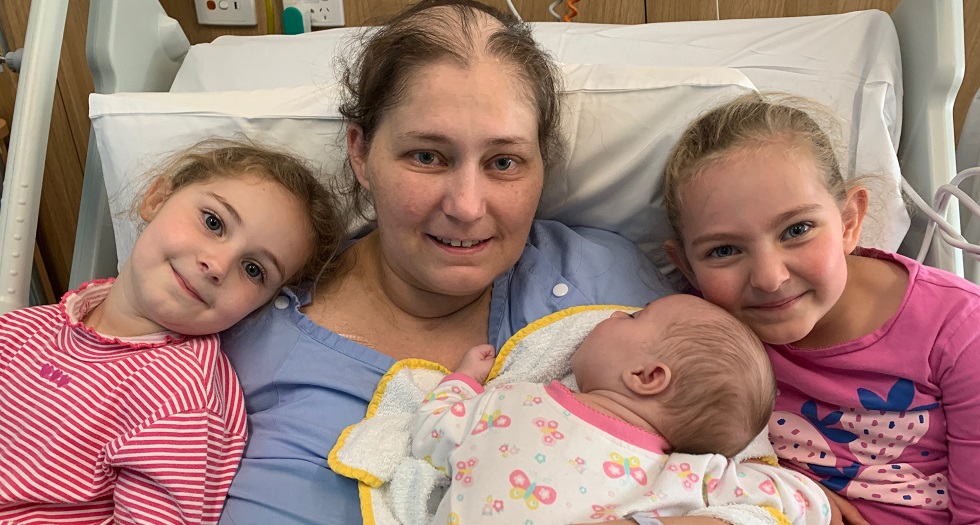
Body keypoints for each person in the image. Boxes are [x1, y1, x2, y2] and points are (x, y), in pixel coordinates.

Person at [662, 92, 980, 524]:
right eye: (723, 251)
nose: (769, 278)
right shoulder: (697, 330)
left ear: (849, 221)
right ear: (686, 266)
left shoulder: (960, 331)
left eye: (797, 229)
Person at [0, 138, 344, 524]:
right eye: (213, 222)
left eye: (254, 270)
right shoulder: (24, 329)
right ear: (156, 197)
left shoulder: (178, 398)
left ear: (258, 306)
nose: (216, 264)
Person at [409, 294, 830, 523]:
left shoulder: (510, 401)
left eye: (632, 316)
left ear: (647, 376)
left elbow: (429, 433)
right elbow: (807, 503)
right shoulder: (684, 476)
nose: (612, 312)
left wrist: (463, 380)